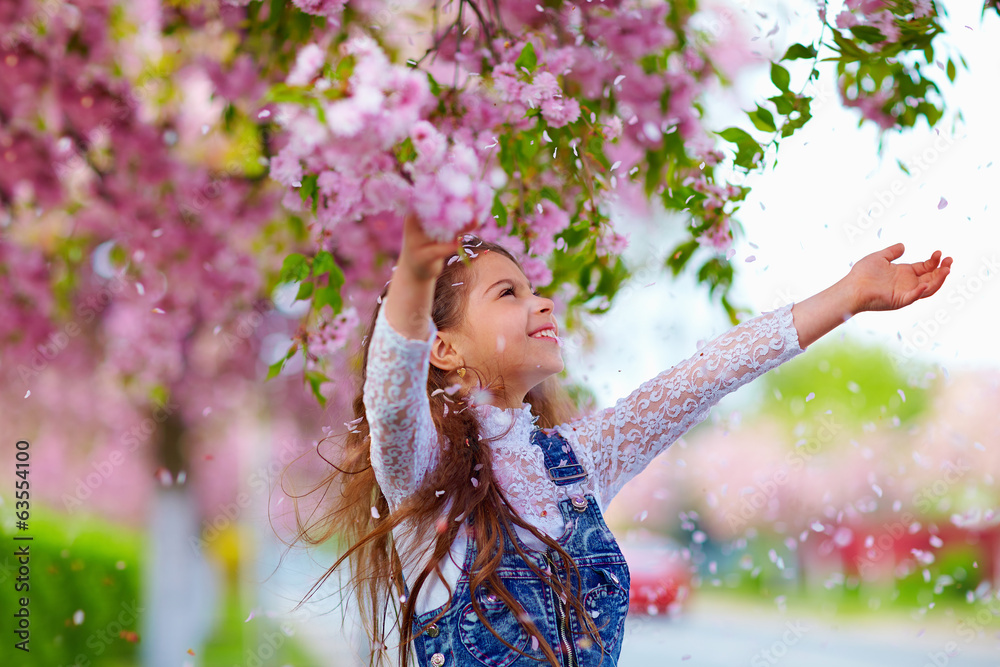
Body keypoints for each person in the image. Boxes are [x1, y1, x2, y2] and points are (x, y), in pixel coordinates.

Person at [294, 212, 952, 667]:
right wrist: (412, 282)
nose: (543, 303)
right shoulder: (424, 470)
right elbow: (391, 398)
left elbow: (706, 374)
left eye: (535, 289)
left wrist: (850, 294)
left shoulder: (578, 460)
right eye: (509, 293)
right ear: (443, 347)